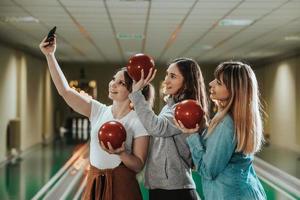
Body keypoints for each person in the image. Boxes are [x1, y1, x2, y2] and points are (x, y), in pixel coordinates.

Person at [39, 36, 155, 200]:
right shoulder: (98, 110)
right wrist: (50, 56)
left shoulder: (138, 120)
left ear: (132, 90)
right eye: (113, 79)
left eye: (121, 83)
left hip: (122, 187)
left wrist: (121, 153)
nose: (113, 84)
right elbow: (65, 91)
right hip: (94, 182)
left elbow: (138, 165)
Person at [175, 61, 267, 200]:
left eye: (218, 82)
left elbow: (207, 170)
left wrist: (193, 135)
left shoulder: (227, 123)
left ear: (233, 90)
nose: (211, 83)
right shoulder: (233, 118)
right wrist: (204, 129)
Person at [129, 58, 209, 200]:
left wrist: (136, 94)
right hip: (165, 186)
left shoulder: (184, 109)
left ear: (187, 81)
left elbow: (156, 127)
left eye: (173, 76)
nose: (166, 80)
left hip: (174, 190)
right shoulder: (171, 106)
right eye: (167, 74)